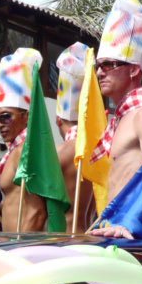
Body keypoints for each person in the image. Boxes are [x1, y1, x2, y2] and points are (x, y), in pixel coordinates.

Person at [90, 0, 142, 239]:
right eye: (98, 66)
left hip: (134, 235)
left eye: (109, 65)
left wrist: (131, 225)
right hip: (115, 230)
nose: (101, 72)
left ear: (134, 69)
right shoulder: (123, 118)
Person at [0, 48, 47, 232]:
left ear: (26, 116)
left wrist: (22, 249)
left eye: (5, 116)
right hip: (12, 245)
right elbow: (13, 205)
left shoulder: (27, 150)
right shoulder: (14, 151)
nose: (0, 124)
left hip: (23, 249)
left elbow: (37, 211)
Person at [55, 42, 95, 233]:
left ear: (58, 120)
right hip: (88, 237)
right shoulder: (98, 150)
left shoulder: (61, 153)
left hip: (64, 241)